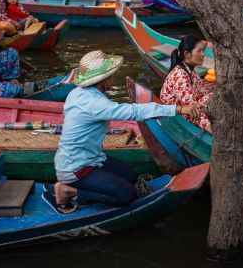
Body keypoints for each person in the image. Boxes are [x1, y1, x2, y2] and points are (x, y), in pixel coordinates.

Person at [48, 50, 198, 213]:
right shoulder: (96, 104)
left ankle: (79, 186)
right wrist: (179, 109)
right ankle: (69, 191)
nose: (113, 78)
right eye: (111, 75)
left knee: (131, 175)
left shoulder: (77, 93)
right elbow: (135, 111)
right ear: (103, 80)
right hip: (77, 168)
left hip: (89, 158)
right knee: (127, 195)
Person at [160, 35, 214, 132]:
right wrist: (214, 133)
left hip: (189, 104)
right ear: (187, 54)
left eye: (203, 50)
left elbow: (204, 91)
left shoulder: (190, 70)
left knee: (215, 95)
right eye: (199, 51)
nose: (203, 54)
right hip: (178, 114)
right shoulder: (180, 76)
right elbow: (193, 111)